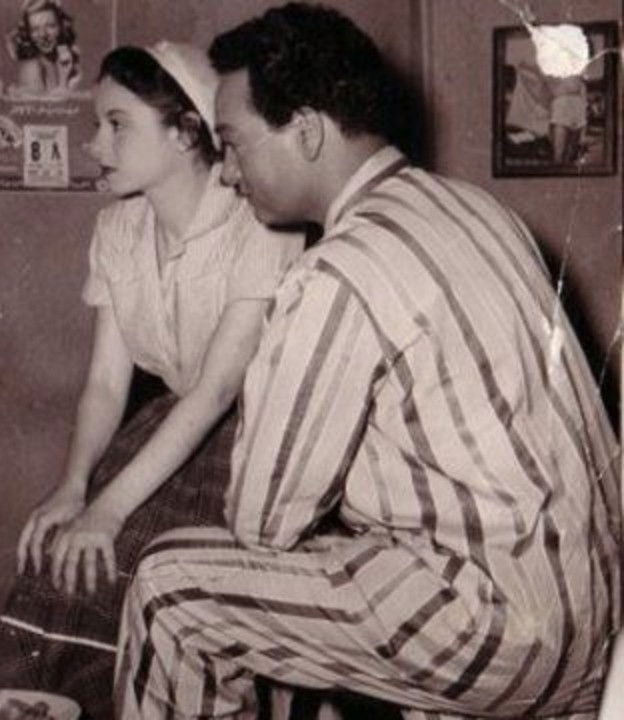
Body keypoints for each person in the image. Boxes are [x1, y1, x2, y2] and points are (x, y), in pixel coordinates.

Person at [117, 4, 621, 719]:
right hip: (594, 618)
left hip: (505, 636)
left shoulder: (339, 269)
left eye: (232, 144)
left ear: (307, 131)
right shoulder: (478, 211)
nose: (226, 173)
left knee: (171, 589)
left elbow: (263, 523)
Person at [0, 42, 302, 719]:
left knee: (136, 569)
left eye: (116, 125)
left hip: (255, 441)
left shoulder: (260, 223)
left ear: (185, 133)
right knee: (62, 553)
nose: (95, 144)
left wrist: (109, 510)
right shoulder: (118, 228)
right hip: (170, 429)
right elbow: (104, 384)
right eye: (98, 124)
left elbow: (217, 391)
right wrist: (74, 487)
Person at [7, 0, 81, 98]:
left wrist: (64, 77)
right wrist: (63, 84)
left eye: (50, 26)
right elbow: (45, 106)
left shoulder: (65, 61)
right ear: (28, 34)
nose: (43, 35)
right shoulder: (32, 68)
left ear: (62, 27)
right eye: (35, 29)